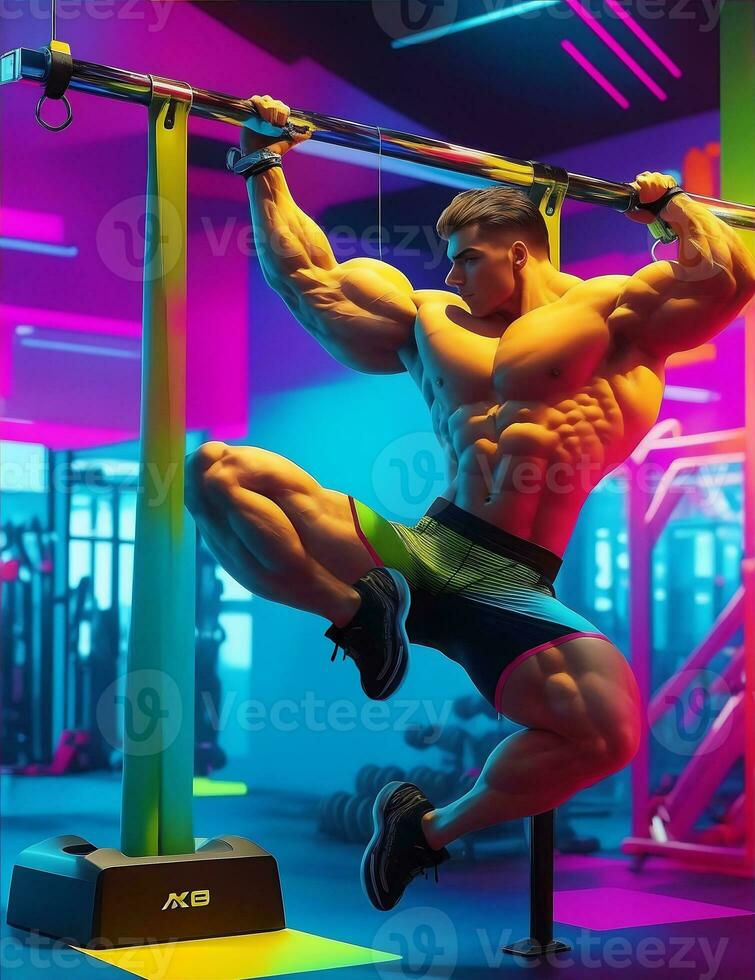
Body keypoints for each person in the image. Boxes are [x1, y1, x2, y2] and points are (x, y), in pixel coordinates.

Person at [186, 95, 755, 912]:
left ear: (519, 253)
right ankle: (356, 613)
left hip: (514, 583)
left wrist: (670, 208)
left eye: (466, 258)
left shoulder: (614, 314)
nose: (449, 274)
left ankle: (424, 832)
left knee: (607, 734)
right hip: (422, 553)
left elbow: (729, 275)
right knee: (216, 473)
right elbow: (306, 279)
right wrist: (262, 164)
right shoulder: (430, 319)